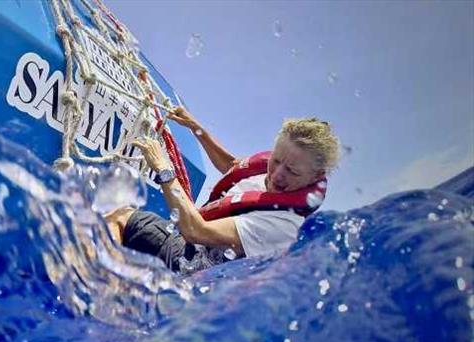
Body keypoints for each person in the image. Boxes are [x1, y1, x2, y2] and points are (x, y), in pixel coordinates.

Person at [105, 107, 340, 272]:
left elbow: (196, 230)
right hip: (186, 250)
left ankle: (105, 300)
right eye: (276, 161)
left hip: (192, 273)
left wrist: (163, 169)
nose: (277, 175)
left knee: (120, 217)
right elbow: (232, 166)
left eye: (292, 171)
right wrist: (195, 127)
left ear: (316, 177)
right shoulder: (268, 175)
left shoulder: (285, 224)